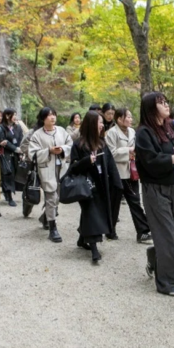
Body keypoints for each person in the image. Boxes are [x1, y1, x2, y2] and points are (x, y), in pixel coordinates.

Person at [135, 92, 174, 296]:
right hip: (155, 188)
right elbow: (150, 162)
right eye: (161, 103)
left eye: (166, 102)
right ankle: (168, 283)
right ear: (151, 108)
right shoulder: (144, 133)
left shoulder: (173, 126)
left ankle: (155, 255)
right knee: (166, 235)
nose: (166, 105)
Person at [68, 111, 123, 264]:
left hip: (101, 184)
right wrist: (87, 161)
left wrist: (117, 184)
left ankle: (81, 238)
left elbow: (111, 165)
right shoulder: (78, 144)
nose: (101, 125)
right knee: (91, 211)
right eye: (99, 122)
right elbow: (73, 167)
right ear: (91, 124)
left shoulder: (102, 143)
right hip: (86, 185)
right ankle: (94, 249)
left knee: (90, 212)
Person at [25, 107, 74, 243]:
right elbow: (32, 153)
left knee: (57, 197)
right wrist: (49, 151)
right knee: (51, 197)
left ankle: (45, 217)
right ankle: (53, 228)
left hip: (62, 168)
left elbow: (70, 145)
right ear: (43, 118)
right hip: (46, 169)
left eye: (54, 115)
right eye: (49, 115)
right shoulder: (37, 135)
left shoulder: (62, 131)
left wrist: (62, 149)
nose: (52, 117)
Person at [105, 107, 152, 244]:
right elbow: (111, 154)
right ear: (119, 119)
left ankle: (142, 232)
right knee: (114, 204)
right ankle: (110, 230)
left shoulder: (132, 132)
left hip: (131, 173)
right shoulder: (111, 133)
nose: (131, 119)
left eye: (131, 117)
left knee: (135, 201)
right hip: (117, 173)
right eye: (128, 117)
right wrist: (129, 150)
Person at [0, 109, 24, 207]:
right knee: (7, 173)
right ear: (7, 116)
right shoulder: (1, 128)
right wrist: (15, 148)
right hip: (5, 154)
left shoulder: (18, 127)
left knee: (15, 173)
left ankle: (7, 192)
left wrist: (20, 150)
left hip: (16, 154)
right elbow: (2, 141)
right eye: (13, 115)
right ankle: (9, 196)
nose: (15, 117)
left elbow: (21, 139)